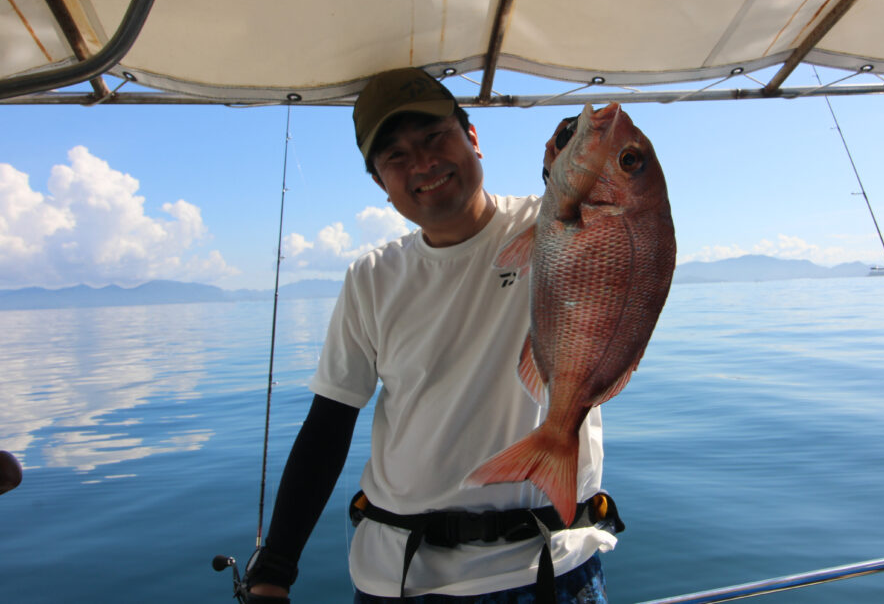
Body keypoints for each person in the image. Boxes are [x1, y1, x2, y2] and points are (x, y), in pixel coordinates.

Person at [244, 67, 617, 603]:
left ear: (472, 138)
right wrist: (276, 567)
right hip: (400, 577)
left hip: (548, 567)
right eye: (395, 156)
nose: (422, 163)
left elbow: (615, 220)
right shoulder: (372, 277)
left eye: (435, 136)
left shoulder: (555, 228)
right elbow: (328, 425)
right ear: (380, 183)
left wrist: (577, 155)